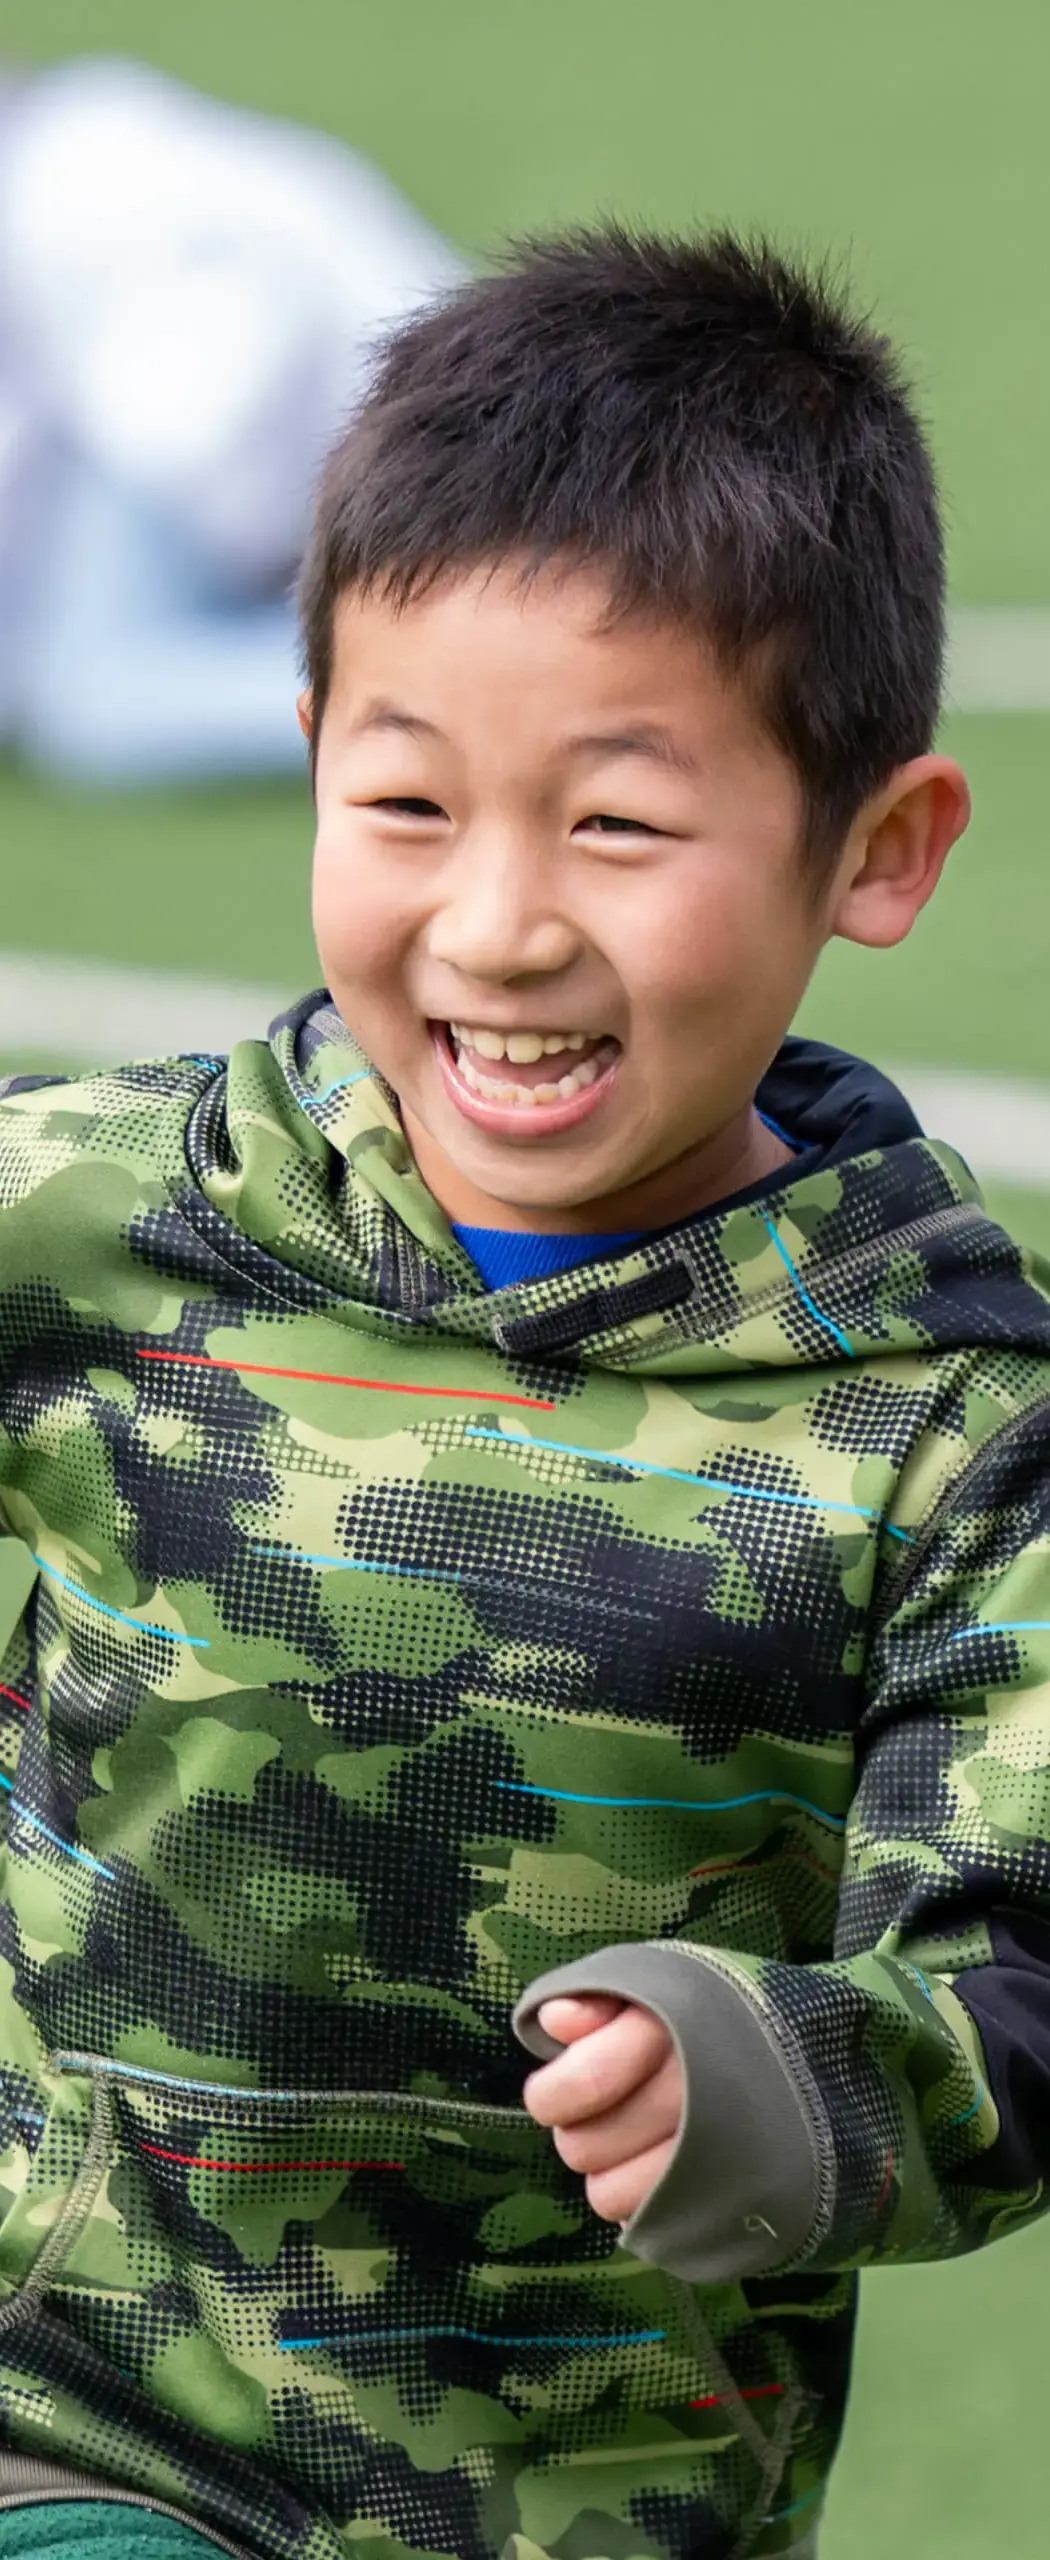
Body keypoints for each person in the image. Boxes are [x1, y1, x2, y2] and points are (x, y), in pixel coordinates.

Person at [0, 228, 1048, 2560]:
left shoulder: (952, 1417)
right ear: (306, 767)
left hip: (580, 2504)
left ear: (876, 847)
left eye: (617, 822)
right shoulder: (108, 1207)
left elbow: (1020, 1967)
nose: (495, 921)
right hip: (76, 2428)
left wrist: (789, 2078)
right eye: (406, 807)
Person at [0, 55, 460, 781]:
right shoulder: (87, 133)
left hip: (366, 448)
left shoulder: (80, 170)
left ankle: (423, 710)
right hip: (380, 433)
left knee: (95, 701)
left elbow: (209, 410)